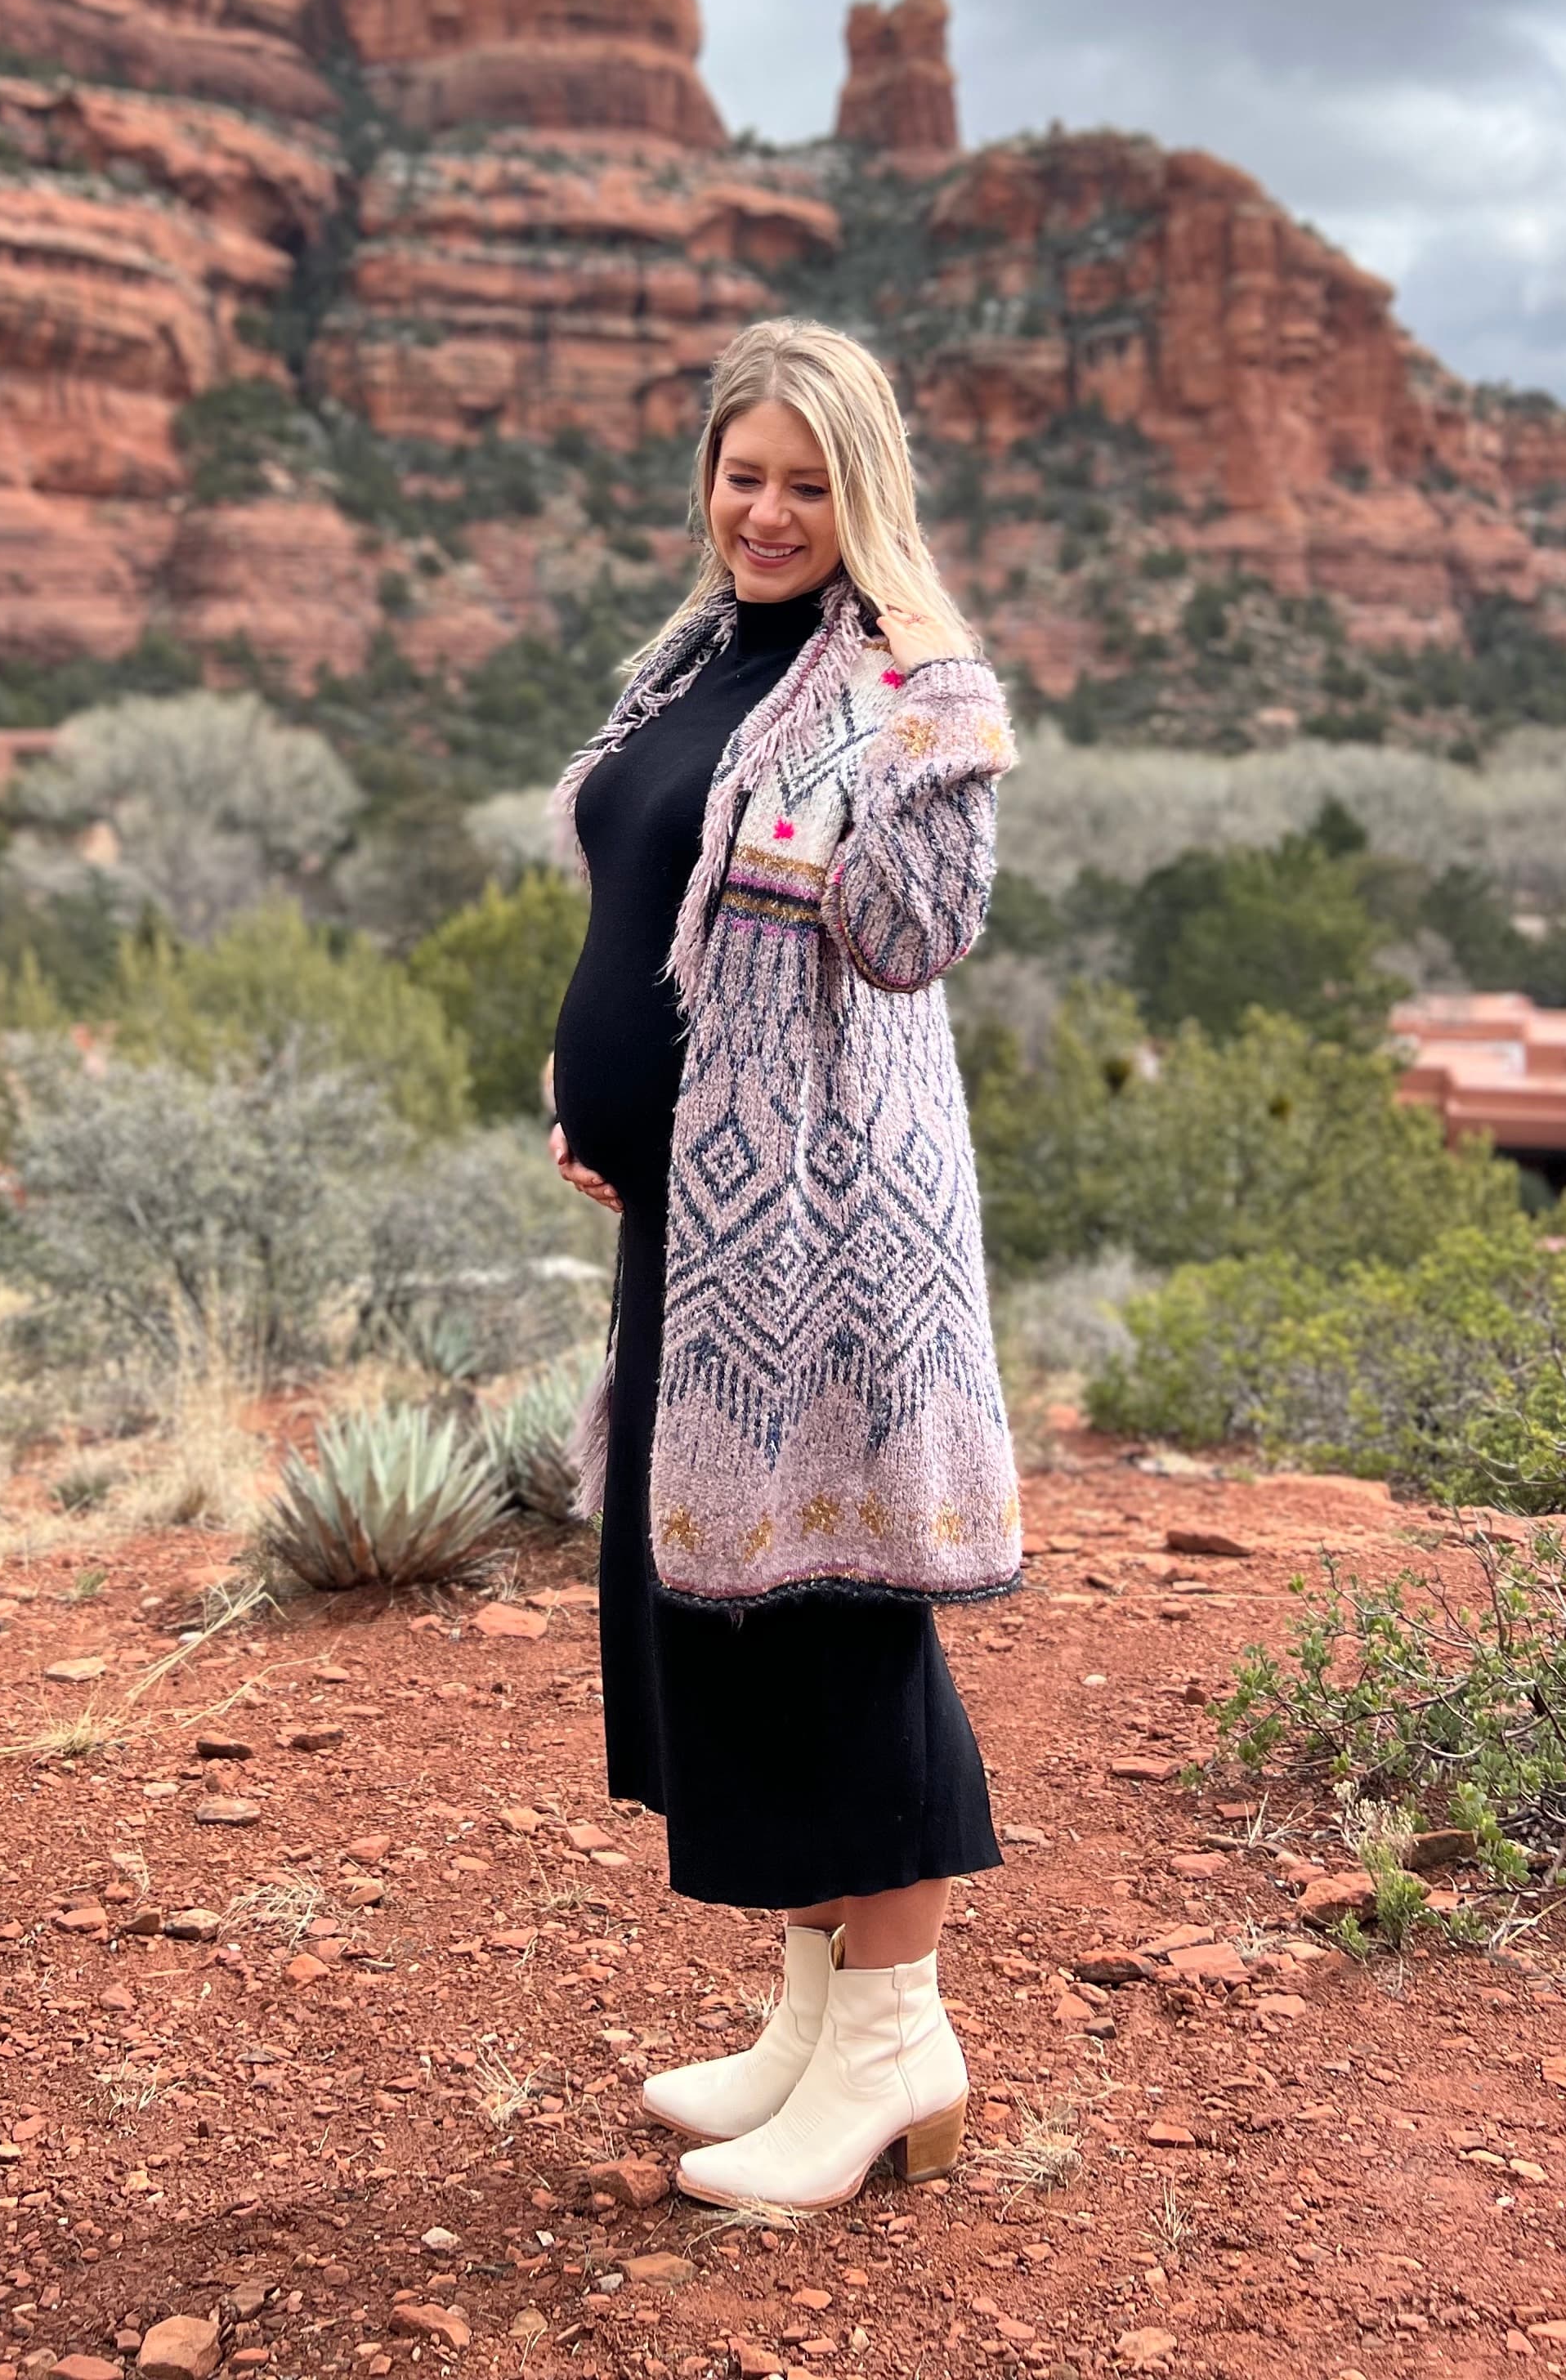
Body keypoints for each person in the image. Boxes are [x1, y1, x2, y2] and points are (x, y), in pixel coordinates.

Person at [546, 315, 1022, 2213]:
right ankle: (820, 2006)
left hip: (827, 1241)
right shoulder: (698, 661)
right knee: (726, 1605)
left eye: (807, 486)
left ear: (864, 496)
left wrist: (930, 724)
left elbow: (914, 939)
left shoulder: (898, 685)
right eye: (744, 476)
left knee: (835, 1607)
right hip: (700, 1221)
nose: (765, 511)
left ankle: (900, 2041)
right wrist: (582, 1090)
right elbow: (637, 901)